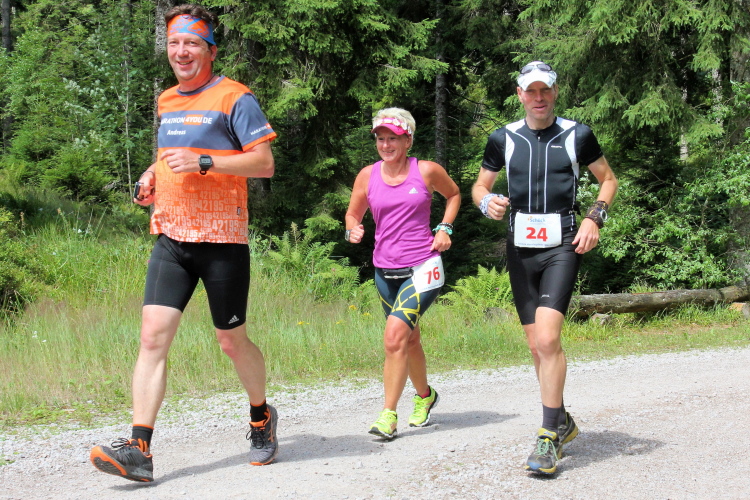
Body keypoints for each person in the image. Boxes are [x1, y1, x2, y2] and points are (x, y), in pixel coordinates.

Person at [90, 4, 279, 482]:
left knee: (231, 341)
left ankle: (261, 416)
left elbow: (263, 163)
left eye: (192, 42)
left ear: (210, 50)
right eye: (175, 42)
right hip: (171, 236)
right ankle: (139, 449)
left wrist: (205, 162)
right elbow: (166, 156)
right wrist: (151, 176)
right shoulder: (167, 99)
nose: (181, 51)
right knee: (152, 337)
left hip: (222, 239)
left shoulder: (236, 97)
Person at [472, 61, 618, 474]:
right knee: (537, 345)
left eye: (545, 90)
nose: (539, 98)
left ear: (555, 92)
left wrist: (594, 218)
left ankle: (548, 437)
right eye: (531, 91)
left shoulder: (577, 134)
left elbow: (608, 179)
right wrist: (486, 202)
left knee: (550, 338)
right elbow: (480, 186)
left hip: (563, 244)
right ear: (520, 95)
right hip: (520, 248)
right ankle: (562, 419)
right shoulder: (503, 138)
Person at [345, 108, 460, 440]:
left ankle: (388, 415)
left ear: (408, 140)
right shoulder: (367, 175)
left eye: (393, 139)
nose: (386, 145)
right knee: (409, 339)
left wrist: (445, 227)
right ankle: (425, 396)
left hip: (423, 266)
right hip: (385, 270)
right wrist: (352, 229)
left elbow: (453, 195)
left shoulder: (426, 170)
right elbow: (352, 214)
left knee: (394, 337)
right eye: (380, 139)